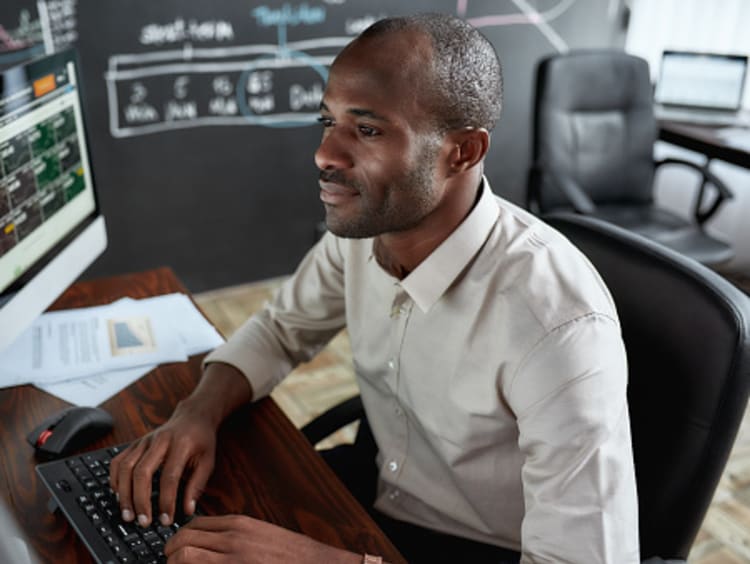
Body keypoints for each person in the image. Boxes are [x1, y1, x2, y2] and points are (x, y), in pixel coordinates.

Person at [109, 13, 640, 563]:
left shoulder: (558, 324)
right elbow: (278, 330)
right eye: (327, 121)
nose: (324, 155)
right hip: (379, 493)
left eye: (367, 130)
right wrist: (196, 412)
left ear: (462, 152)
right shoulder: (371, 229)